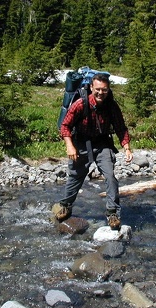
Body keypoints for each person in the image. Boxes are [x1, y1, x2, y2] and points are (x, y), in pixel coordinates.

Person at [55, 73, 133, 230]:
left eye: (104, 90)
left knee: (110, 176)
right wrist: (69, 145)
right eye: (97, 89)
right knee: (76, 177)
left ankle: (112, 213)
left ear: (108, 89)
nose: (100, 93)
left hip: (102, 143)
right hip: (81, 143)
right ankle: (66, 205)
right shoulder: (80, 103)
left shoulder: (111, 105)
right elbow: (65, 126)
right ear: (91, 87)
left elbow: (120, 127)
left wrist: (126, 147)